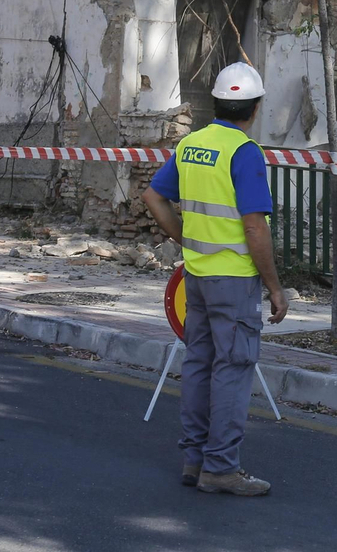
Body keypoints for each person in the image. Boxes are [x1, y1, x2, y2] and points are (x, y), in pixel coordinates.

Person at [141, 61, 288, 496]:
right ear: (255, 108)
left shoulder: (191, 145)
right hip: (234, 280)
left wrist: (186, 238)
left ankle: (194, 460)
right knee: (233, 367)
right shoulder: (244, 152)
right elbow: (255, 226)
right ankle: (221, 467)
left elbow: (153, 195)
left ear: (217, 103)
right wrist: (275, 288)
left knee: (199, 364)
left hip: (197, 277)